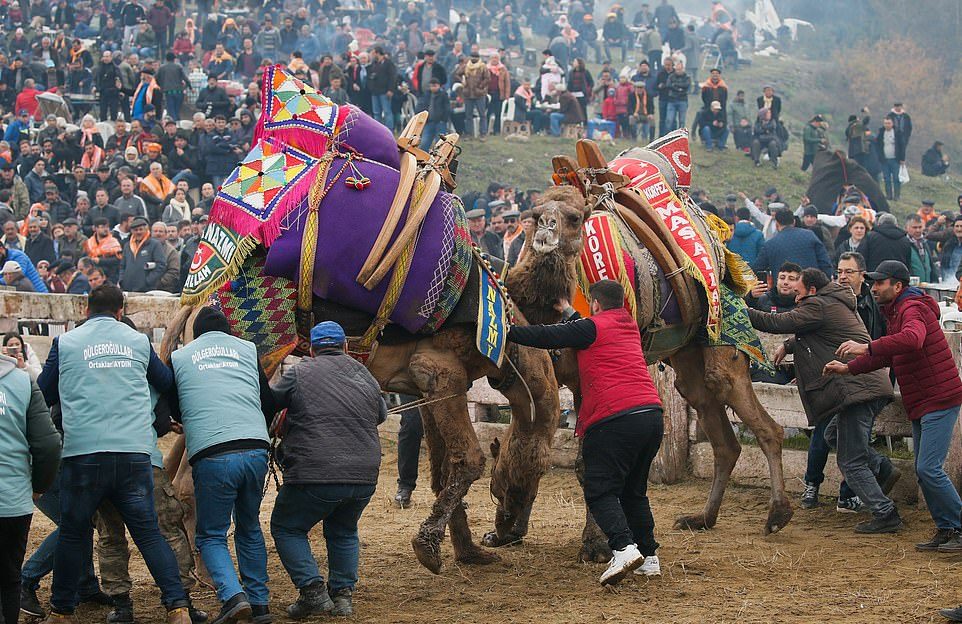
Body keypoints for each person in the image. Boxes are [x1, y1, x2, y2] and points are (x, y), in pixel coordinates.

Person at [37, 284, 191, 624]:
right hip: (133, 454)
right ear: (121, 311)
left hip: (83, 455)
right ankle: (177, 607)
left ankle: (61, 611)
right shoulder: (136, 341)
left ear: (85, 311)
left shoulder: (65, 343)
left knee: (74, 534)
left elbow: (43, 391)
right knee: (149, 533)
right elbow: (165, 381)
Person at [508, 280, 664, 585]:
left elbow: (546, 335)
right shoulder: (628, 325)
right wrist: (568, 311)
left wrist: (507, 331)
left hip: (614, 418)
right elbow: (585, 328)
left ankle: (623, 547)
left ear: (594, 304)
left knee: (599, 490)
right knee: (634, 492)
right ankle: (649, 557)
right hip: (650, 416)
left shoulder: (590, 327)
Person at [749, 269, 899, 531]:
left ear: (813, 290)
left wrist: (736, 310)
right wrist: (790, 344)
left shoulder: (818, 305)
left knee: (850, 461)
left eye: (799, 292)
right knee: (832, 435)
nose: (796, 299)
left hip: (857, 389)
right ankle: (881, 468)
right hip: (863, 385)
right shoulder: (831, 303)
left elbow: (775, 322)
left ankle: (885, 512)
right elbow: (822, 334)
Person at [827, 261, 962, 545]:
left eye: (880, 283)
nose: (874, 288)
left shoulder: (912, 308)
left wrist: (866, 346)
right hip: (925, 399)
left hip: (938, 398)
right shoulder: (898, 310)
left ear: (897, 286)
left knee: (928, 469)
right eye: (873, 283)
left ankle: (957, 527)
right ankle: (947, 529)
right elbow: (889, 355)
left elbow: (912, 340)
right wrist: (848, 368)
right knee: (925, 470)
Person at [269, 321, 385, 617]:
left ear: (311, 348)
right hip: (363, 475)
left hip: (315, 471)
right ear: (346, 347)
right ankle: (342, 596)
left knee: (287, 526)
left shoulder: (298, 372)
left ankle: (312, 592)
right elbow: (381, 415)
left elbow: (269, 402)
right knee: (344, 530)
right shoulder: (366, 375)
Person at [169, 307, 276, 624]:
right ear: (229, 332)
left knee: (211, 535)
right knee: (250, 527)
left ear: (197, 334)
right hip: (255, 448)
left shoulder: (182, 357)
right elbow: (267, 401)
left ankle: (232, 596)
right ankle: (260, 604)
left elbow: (177, 406)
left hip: (214, 452)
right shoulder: (247, 349)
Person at [0, 338, 60, 624]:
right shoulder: (21, 382)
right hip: (12, 500)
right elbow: (48, 445)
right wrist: (39, 487)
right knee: (10, 576)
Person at [752, 208, 833, 277]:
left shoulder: (770, 244)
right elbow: (825, 263)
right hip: (810, 288)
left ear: (777, 224)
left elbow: (757, 268)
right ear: (794, 222)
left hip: (783, 291)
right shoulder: (810, 235)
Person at [120, 216, 167, 292]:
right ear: (132, 231)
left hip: (146, 289)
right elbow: (122, 266)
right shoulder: (127, 245)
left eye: (141, 229)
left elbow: (161, 265)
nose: (138, 232)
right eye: (136, 230)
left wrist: (147, 281)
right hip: (128, 288)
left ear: (146, 230)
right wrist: (122, 280)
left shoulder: (155, 244)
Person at [875, 116, 906, 201]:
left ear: (892, 124)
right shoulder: (881, 133)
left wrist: (902, 158)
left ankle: (897, 196)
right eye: (885, 123)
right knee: (886, 178)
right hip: (884, 160)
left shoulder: (897, 132)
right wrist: (879, 157)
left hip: (895, 159)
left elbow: (902, 146)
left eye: (889, 123)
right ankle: (889, 195)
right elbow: (877, 145)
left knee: (896, 178)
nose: (887, 125)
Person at [904, 214, 939, 284]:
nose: (918, 230)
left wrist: (935, 281)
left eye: (920, 227)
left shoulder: (925, 243)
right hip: (912, 288)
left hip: (927, 286)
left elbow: (931, 265)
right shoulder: (903, 244)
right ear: (906, 228)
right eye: (914, 227)